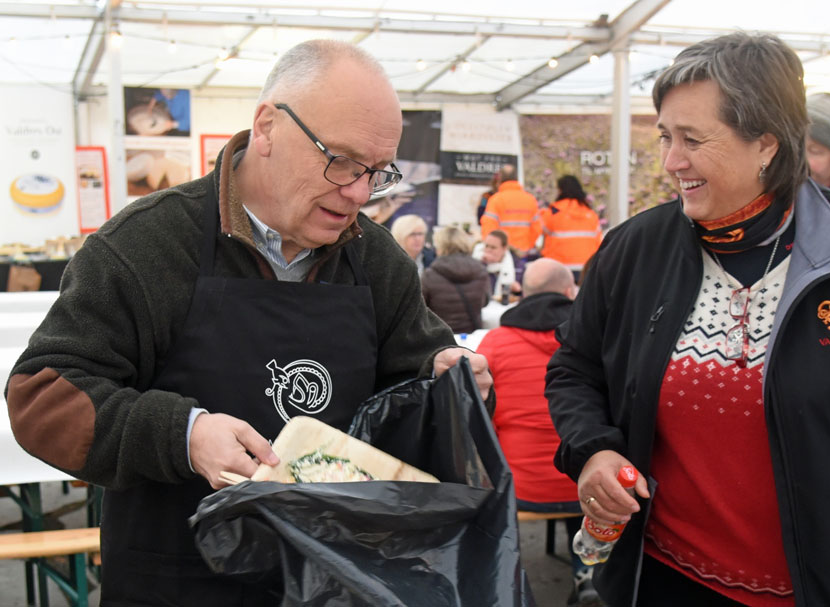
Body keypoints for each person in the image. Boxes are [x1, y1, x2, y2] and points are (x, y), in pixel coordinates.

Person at [4, 40, 492, 606]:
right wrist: (184, 434)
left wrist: (449, 382)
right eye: (340, 161)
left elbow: (414, 379)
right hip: (179, 575)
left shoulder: (376, 260)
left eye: (376, 173)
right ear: (266, 128)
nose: (358, 192)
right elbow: (42, 397)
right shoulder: (146, 245)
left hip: (337, 575)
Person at [546, 32, 830, 607]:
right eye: (666, 137)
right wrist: (592, 449)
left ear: (765, 143)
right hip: (664, 581)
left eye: (693, 139)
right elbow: (574, 367)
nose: (671, 162)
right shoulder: (634, 249)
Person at [476, 258, 601, 607]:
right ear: (568, 291)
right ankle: (586, 573)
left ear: (523, 294)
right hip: (587, 482)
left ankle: (506, 580)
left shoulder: (496, 343)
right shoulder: (596, 337)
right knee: (580, 479)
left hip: (523, 485)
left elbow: (482, 418)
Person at [422, 225, 490, 334]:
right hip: (471, 336)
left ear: (440, 246)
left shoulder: (430, 275)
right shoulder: (480, 270)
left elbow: (422, 309)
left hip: (441, 339)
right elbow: (485, 302)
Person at [539, 174, 603, 281]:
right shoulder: (590, 214)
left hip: (558, 268)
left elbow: (541, 235)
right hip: (586, 268)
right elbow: (599, 243)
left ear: (560, 190)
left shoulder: (554, 211)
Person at [480, 163, 542, 260]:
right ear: (516, 178)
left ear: (500, 179)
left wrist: (492, 249)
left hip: (503, 253)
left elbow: (489, 228)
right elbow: (537, 228)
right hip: (523, 252)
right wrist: (526, 246)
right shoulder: (530, 199)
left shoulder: (496, 199)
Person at [473, 229, 522, 301]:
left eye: (493, 247)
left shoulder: (517, 265)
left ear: (504, 248)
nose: (488, 250)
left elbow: (525, 295)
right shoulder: (475, 260)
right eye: (486, 246)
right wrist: (482, 264)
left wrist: (518, 291)